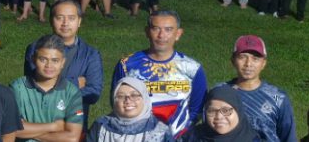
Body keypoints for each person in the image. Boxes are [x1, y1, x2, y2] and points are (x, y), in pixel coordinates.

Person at [112, 10, 207, 138]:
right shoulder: (126, 65)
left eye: (168, 30)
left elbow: (198, 109)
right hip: (136, 137)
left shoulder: (193, 68)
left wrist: (180, 134)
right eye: (156, 29)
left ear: (178, 34)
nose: (161, 35)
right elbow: (117, 102)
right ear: (147, 32)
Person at [217, 35, 296, 142]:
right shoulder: (220, 93)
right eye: (242, 57)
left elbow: (288, 137)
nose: (248, 64)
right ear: (233, 60)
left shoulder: (278, 98)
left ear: (263, 63)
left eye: (255, 58)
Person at [35, 0, 103, 117]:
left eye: (71, 18)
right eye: (60, 18)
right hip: (39, 120)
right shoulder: (35, 49)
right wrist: (76, 82)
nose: (65, 23)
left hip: (74, 124)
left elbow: (93, 94)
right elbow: (34, 86)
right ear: (51, 20)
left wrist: (51, 89)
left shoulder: (91, 54)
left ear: (79, 21)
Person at [10, 34, 84, 140]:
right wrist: (54, 126)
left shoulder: (72, 92)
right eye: (43, 59)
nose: (49, 65)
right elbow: (13, 130)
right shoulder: (18, 88)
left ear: (63, 62)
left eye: (55, 60)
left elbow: (72, 138)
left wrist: (29, 130)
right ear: (34, 59)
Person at [87, 77, 171, 142]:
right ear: (114, 101)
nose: (128, 100)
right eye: (121, 96)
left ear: (144, 99)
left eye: (134, 95)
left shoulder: (160, 131)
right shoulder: (101, 126)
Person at [183, 86, 258, 142]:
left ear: (238, 112)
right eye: (212, 111)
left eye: (226, 110)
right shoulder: (192, 137)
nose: (219, 116)